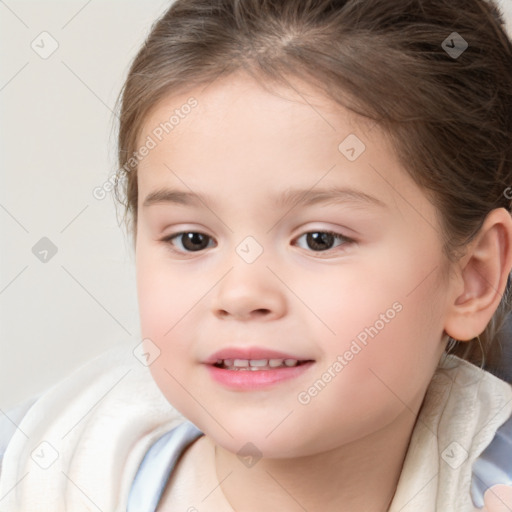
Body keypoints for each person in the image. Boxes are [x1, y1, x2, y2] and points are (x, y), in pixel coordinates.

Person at [1, 0, 512, 510]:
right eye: (192, 239)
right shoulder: (42, 473)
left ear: (473, 277)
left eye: (319, 239)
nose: (241, 293)